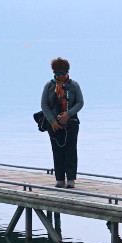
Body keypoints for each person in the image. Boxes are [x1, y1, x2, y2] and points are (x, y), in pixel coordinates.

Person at [42, 57, 84, 188]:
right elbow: (44, 105)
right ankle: (59, 178)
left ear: (68, 72)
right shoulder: (49, 85)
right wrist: (52, 121)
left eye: (63, 73)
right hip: (54, 124)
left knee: (71, 150)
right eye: (58, 74)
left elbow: (80, 102)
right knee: (57, 150)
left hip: (71, 122)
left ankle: (71, 179)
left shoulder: (74, 85)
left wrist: (68, 114)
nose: (60, 76)